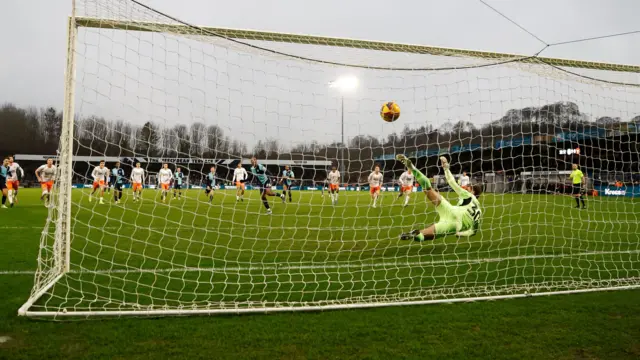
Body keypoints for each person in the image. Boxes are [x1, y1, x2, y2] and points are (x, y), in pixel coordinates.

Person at [397, 155, 483, 241]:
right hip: (456, 225)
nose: (467, 188)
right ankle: (416, 235)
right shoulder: (479, 211)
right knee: (424, 236)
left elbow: (452, 182)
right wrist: (460, 234)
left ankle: (412, 167)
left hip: (451, 211)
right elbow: (473, 232)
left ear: (473, 192)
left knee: (428, 189)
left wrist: (446, 168)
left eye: (469, 188)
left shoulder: (469, 195)